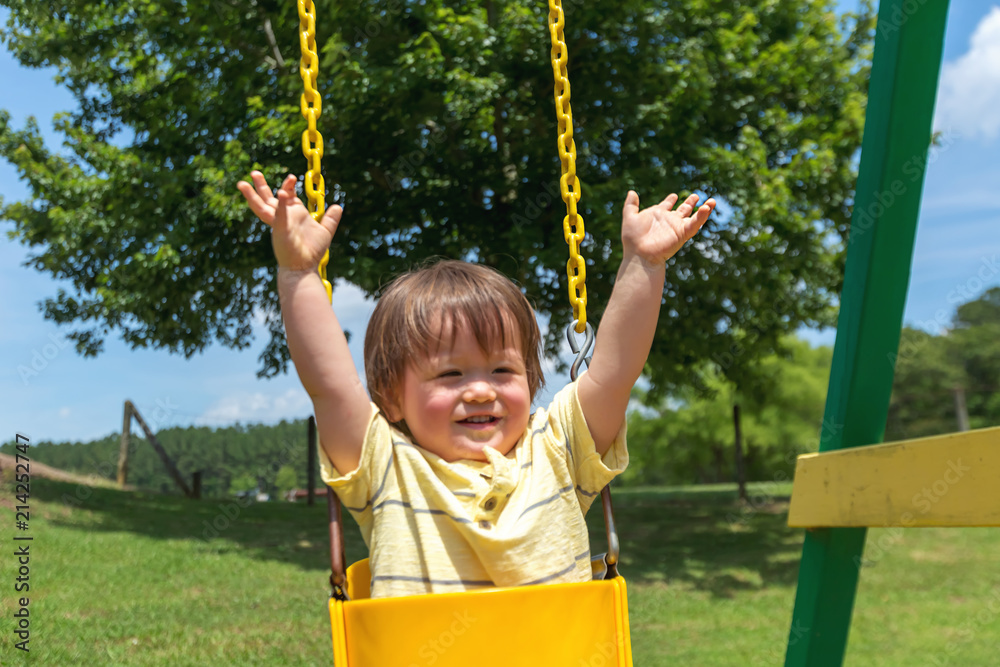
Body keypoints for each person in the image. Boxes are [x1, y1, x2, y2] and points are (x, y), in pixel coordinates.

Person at [238, 171, 715, 598]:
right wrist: (298, 274)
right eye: (450, 374)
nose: (482, 391)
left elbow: (614, 371)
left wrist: (644, 265)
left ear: (530, 379)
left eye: (502, 371)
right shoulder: (386, 464)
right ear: (389, 396)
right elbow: (330, 384)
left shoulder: (558, 451)